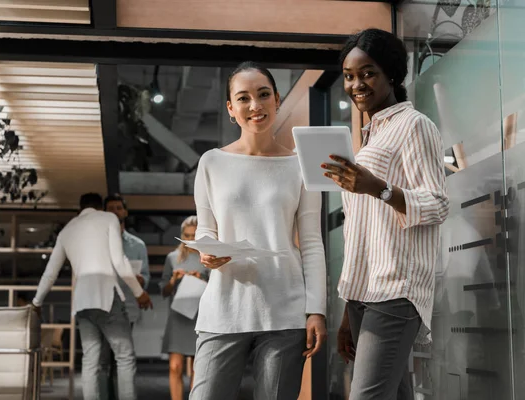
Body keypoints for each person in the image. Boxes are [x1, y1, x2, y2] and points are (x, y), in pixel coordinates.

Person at [321, 28, 449, 400]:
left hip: (397, 289)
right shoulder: (370, 136)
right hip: (366, 291)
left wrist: (378, 187)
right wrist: (348, 308)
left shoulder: (415, 126)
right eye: (348, 76)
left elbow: (438, 204)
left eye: (367, 73)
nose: (356, 84)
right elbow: (360, 231)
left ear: (391, 73)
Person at [189, 61, 328, 400]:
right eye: (244, 98)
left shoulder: (300, 165)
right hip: (223, 307)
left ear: (277, 99)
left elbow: (311, 242)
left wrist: (317, 310)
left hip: (285, 309)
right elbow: (206, 229)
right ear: (230, 108)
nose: (255, 105)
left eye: (264, 94)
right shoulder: (211, 162)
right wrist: (207, 253)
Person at [32, 193, 153, 400]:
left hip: (81, 302)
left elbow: (50, 273)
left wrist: (37, 302)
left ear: (81, 208)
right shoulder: (109, 219)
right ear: (100, 207)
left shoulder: (67, 230)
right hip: (106, 296)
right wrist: (139, 293)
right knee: (124, 357)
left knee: (90, 360)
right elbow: (119, 260)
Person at [99, 194, 151, 400]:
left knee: (122, 360)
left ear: (125, 212)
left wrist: (139, 280)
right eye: (110, 208)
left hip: (127, 305)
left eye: (119, 208)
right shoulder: (98, 243)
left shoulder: (138, 245)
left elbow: (146, 276)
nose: (115, 211)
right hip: (103, 305)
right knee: (104, 361)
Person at [159, 216, 208, 400]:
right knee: (175, 366)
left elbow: (217, 289)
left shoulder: (207, 257)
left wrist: (200, 278)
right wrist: (173, 280)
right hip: (178, 315)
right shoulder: (172, 258)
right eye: (186, 235)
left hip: (199, 315)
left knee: (198, 369)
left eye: (193, 235)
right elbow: (164, 290)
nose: (190, 240)